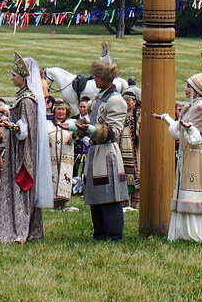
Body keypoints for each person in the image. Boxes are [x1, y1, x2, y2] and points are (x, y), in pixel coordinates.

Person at [67, 44, 129, 241]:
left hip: (108, 151)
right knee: (96, 194)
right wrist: (74, 128)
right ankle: (100, 232)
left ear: (106, 78)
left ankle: (113, 233)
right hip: (96, 151)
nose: (94, 80)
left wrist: (92, 130)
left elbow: (114, 131)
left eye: (97, 76)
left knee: (109, 195)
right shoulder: (99, 99)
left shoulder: (116, 100)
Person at [154, 65, 202, 244]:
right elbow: (178, 132)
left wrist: (189, 129)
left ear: (196, 91)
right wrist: (166, 118)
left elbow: (197, 138)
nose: (185, 89)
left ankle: (197, 233)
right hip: (188, 155)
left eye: (189, 87)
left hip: (197, 157)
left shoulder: (201, 109)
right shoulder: (189, 108)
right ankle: (185, 232)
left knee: (194, 190)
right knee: (186, 189)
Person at [0, 54, 53, 243]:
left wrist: (9, 125)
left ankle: (20, 229)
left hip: (23, 152)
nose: (12, 78)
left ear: (23, 77)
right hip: (17, 149)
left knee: (21, 187)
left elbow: (25, 129)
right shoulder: (23, 97)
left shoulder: (27, 100)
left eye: (14, 75)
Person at [47, 101, 75, 209]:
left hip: (66, 156)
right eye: (59, 109)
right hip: (52, 156)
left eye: (63, 109)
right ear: (54, 111)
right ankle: (53, 202)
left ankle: (65, 202)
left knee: (65, 176)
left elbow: (76, 136)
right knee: (52, 176)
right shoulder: (48, 124)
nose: (61, 111)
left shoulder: (71, 124)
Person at [120, 84, 141, 210]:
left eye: (130, 100)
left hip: (135, 152)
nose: (127, 103)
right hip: (121, 149)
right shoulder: (120, 116)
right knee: (122, 177)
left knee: (135, 178)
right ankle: (123, 204)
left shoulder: (138, 117)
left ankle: (134, 205)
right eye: (125, 100)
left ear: (134, 102)